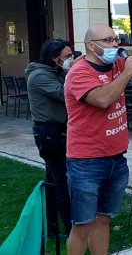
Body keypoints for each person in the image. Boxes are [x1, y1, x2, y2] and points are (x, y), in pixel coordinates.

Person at [64, 15, 132, 255]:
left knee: (103, 219)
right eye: (108, 40)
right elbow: (103, 99)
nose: (115, 45)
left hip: (116, 159)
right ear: (91, 45)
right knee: (82, 225)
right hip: (86, 162)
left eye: (116, 39)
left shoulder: (116, 65)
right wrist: (127, 73)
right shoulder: (79, 73)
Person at [25, 39, 82, 238]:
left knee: (52, 180)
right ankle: (70, 228)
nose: (70, 59)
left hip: (59, 130)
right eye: (67, 57)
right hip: (49, 133)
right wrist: (74, 71)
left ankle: (50, 227)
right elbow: (65, 94)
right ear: (54, 57)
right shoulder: (39, 76)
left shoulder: (55, 72)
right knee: (62, 181)